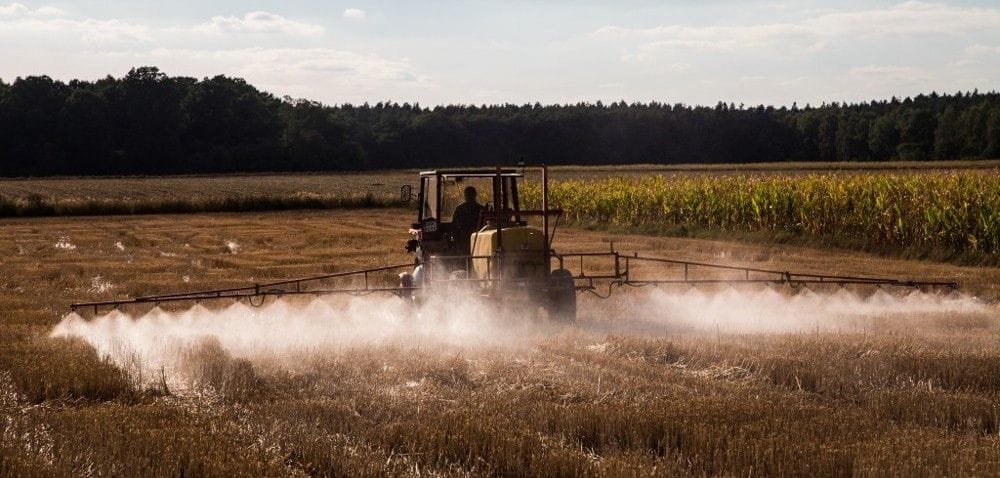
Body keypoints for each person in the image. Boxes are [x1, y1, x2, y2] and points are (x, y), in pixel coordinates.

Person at [451, 186, 484, 255]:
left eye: (470, 195)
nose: (469, 197)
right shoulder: (481, 209)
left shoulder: (460, 209)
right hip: (472, 242)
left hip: (474, 241)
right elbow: (454, 228)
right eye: (468, 195)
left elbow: (454, 227)